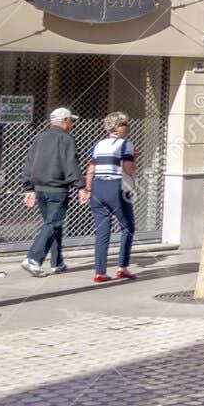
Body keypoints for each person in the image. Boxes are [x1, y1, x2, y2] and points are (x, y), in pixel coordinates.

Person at [20, 107, 88, 276]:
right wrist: (81, 186)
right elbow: (70, 164)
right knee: (53, 224)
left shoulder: (39, 138)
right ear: (65, 120)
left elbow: (29, 163)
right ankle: (33, 259)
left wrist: (28, 187)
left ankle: (57, 262)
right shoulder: (66, 139)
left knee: (53, 225)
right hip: (57, 190)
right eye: (71, 120)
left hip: (40, 189)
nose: (72, 124)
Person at [88, 112, 138, 283]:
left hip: (97, 188)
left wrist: (88, 189)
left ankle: (100, 271)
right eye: (125, 124)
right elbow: (129, 168)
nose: (128, 127)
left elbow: (91, 169)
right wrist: (134, 161)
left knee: (102, 230)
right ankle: (122, 267)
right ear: (119, 127)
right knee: (128, 226)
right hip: (116, 188)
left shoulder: (99, 144)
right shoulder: (126, 145)